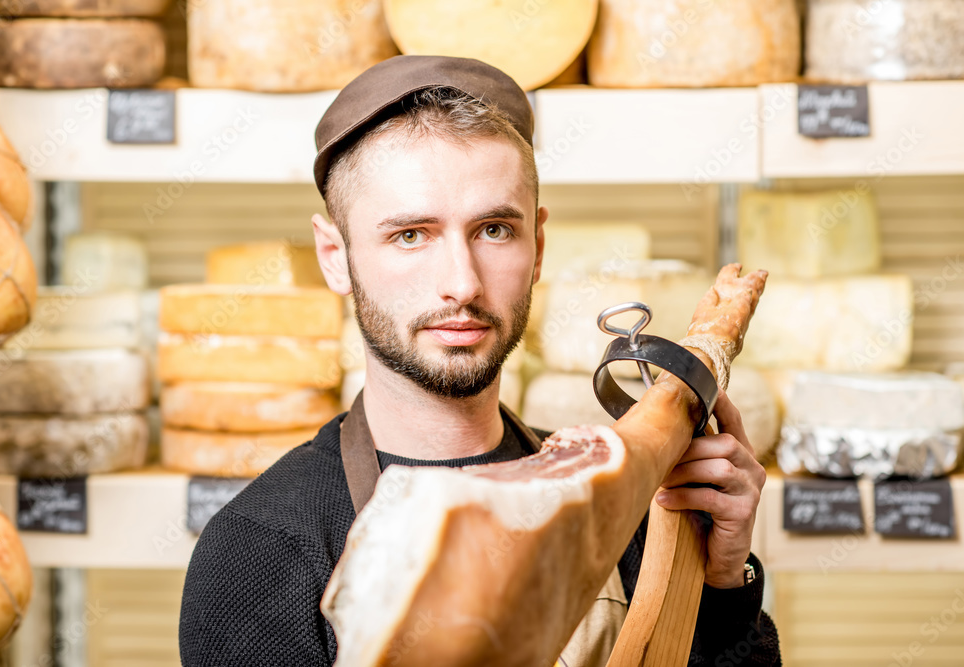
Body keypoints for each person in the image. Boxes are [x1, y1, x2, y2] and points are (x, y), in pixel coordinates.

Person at [179, 55, 780, 667]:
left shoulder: (627, 499)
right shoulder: (259, 551)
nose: (461, 284)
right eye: (410, 235)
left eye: (494, 230)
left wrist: (723, 586)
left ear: (538, 247)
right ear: (335, 256)